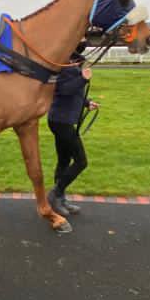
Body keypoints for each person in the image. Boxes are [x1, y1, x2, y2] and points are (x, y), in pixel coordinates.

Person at [47, 42, 99, 217]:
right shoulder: (60, 64)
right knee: (81, 161)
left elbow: (75, 91)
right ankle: (55, 193)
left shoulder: (73, 63)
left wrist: (87, 102)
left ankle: (59, 198)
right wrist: (83, 78)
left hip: (64, 120)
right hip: (61, 121)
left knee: (63, 161)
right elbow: (63, 89)